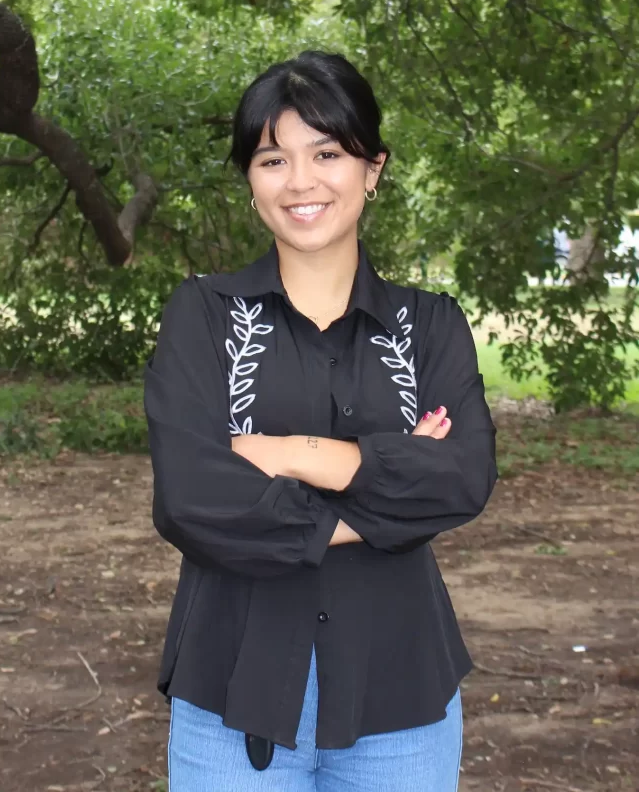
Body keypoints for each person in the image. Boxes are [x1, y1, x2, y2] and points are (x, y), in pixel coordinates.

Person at [144, 51, 498, 792]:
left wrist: (289, 452)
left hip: (401, 697)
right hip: (230, 698)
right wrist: (383, 494)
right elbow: (191, 499)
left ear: (372, 168)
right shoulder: (203, 316)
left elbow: (459, 481)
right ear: (250, 180)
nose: (300, 181)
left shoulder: (428, 326)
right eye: (273, 158)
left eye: (327, 153)